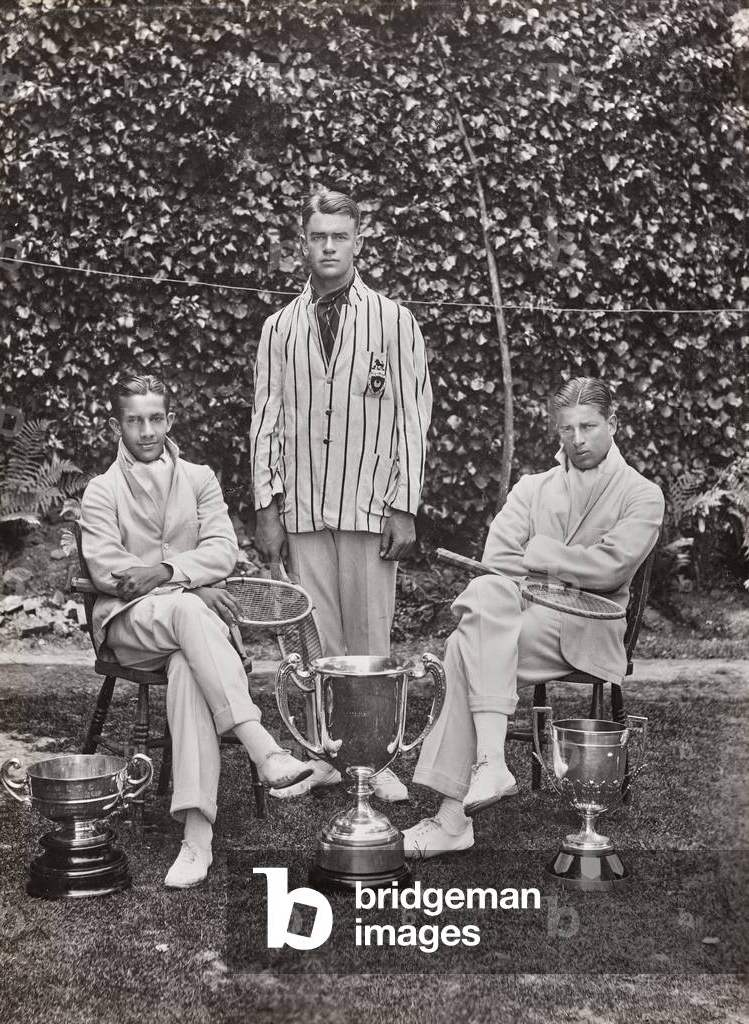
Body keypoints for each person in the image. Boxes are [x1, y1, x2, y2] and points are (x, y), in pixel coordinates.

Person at [402, 377, 665, 858]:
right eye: (567, 429)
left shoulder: (642, 494)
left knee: (464, 645)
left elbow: (611, 568)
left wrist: (540, 553)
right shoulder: (533, 487)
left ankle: (456, 815)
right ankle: (488, 766)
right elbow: (498, 561)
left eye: (588, 426)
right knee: (486, 595)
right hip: (521, 613)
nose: (577, 439)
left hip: (588, 627)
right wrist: (562, 569)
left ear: (613, 423)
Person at [80, 373, 312, 889]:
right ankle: (261, 744)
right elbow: (108, 571)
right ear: (117, 426)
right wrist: (190, 588)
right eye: (134, 421)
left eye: (155, 419)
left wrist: (167, 573)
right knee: (187, 613)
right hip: (129, 625)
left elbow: (223, 550)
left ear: (170, 420)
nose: (146, 431)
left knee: (188, 669)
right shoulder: (101, 491)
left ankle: (196, 838)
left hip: (191, 636)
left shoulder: (200, 478)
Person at [250, 189, 433, 802]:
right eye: (318, 236)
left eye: (340, 236)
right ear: (302, 245)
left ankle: (375, 758)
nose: (328, 247)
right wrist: (267, 508)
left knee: (370, 641)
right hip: (302, 507)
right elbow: (265, 422)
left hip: (369, 504)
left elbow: (412, 420)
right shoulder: (279, 328)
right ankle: (326, 754)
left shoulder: (394, 321)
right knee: (317, 641)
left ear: (358, 243)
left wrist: (404, 505)